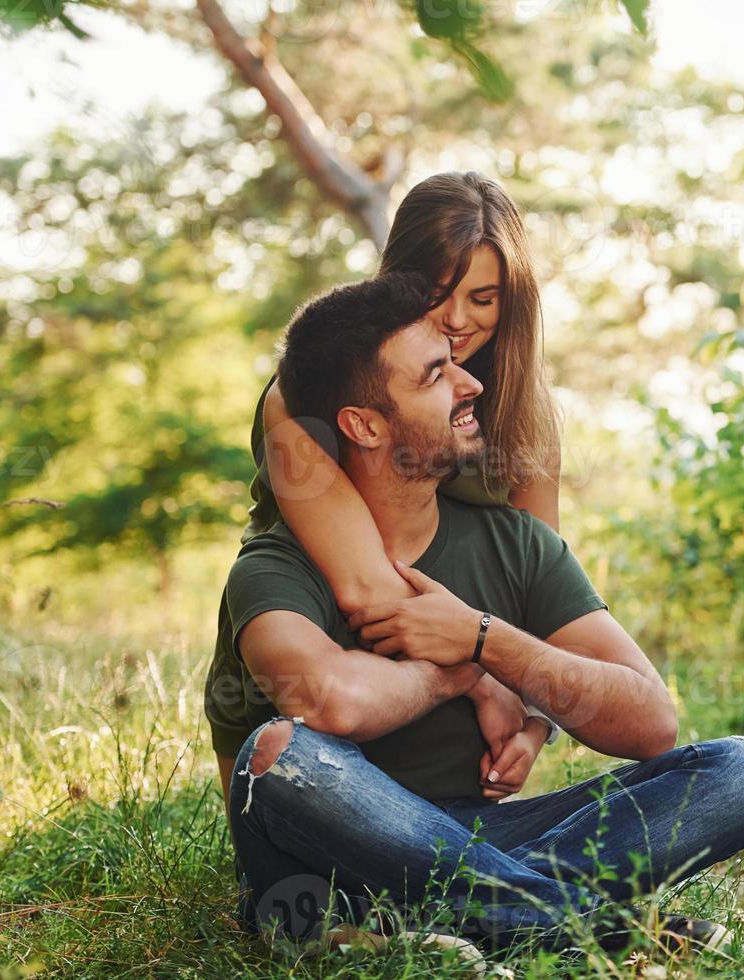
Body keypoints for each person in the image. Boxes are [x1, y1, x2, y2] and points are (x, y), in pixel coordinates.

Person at [202, 271, 744, 955]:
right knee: (279, 757)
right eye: (434, 375)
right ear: (362, 423)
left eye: (456, 362)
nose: (470, 383)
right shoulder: (277, 565)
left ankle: (438, 924)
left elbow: (650, 720)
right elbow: (328, 699)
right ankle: (602, 931)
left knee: (737, 773)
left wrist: (487, 641)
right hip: (329, 851)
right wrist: (456, 671)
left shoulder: (513, 544)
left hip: (483, 840)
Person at [218, 172, 561, 807]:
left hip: (454, 650)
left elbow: (542, 591)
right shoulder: (298, 398)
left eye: (483, 298)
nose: (458, 320)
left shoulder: (522, 408)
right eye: (437, 293)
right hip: (329, 630)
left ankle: (493, 890)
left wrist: (534, 720)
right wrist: (484, 676)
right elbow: (369, 586)